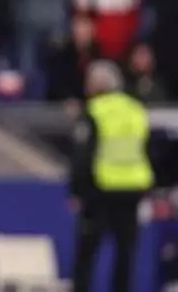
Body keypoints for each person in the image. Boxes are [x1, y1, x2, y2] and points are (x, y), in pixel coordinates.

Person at [69, 60, 155, 292]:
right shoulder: (136, 109)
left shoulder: (94, 111)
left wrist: (76, 190)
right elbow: (148, 148)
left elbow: (82, 154)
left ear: (97, 85)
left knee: (87, 251)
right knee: (125, 252)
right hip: (133, 188)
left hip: (100, 188)